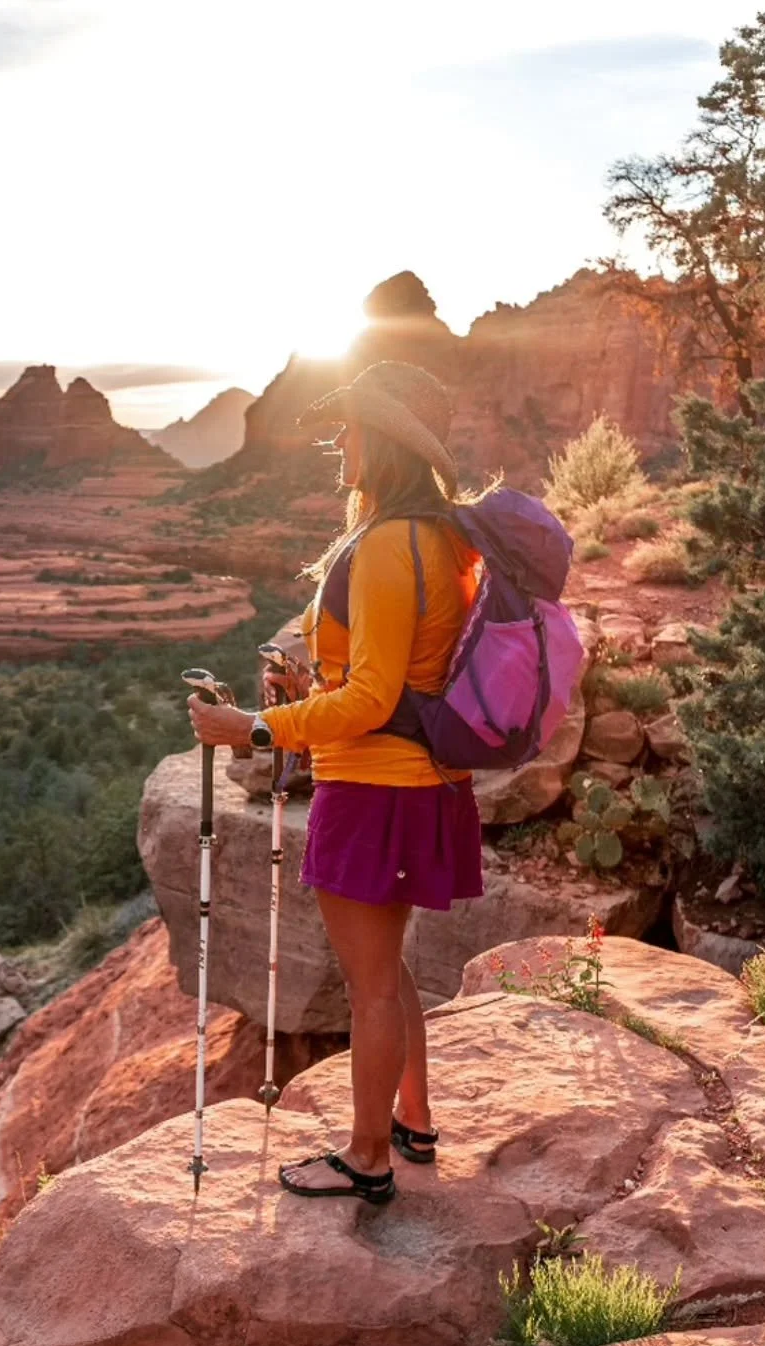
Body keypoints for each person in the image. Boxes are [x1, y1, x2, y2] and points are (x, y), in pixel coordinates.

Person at [187, 360, 483, 1205]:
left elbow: (374, 697)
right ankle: (413, 1121)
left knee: (370, 986)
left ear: (383, 440)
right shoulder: (443, 539)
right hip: (418, 783)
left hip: (375, 793)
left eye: (349, 429)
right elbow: (395, 677)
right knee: (388, 972)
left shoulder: (391, 544)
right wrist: (306, 688)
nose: (337, 444)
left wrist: (252, 726)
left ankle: (368, 1158)